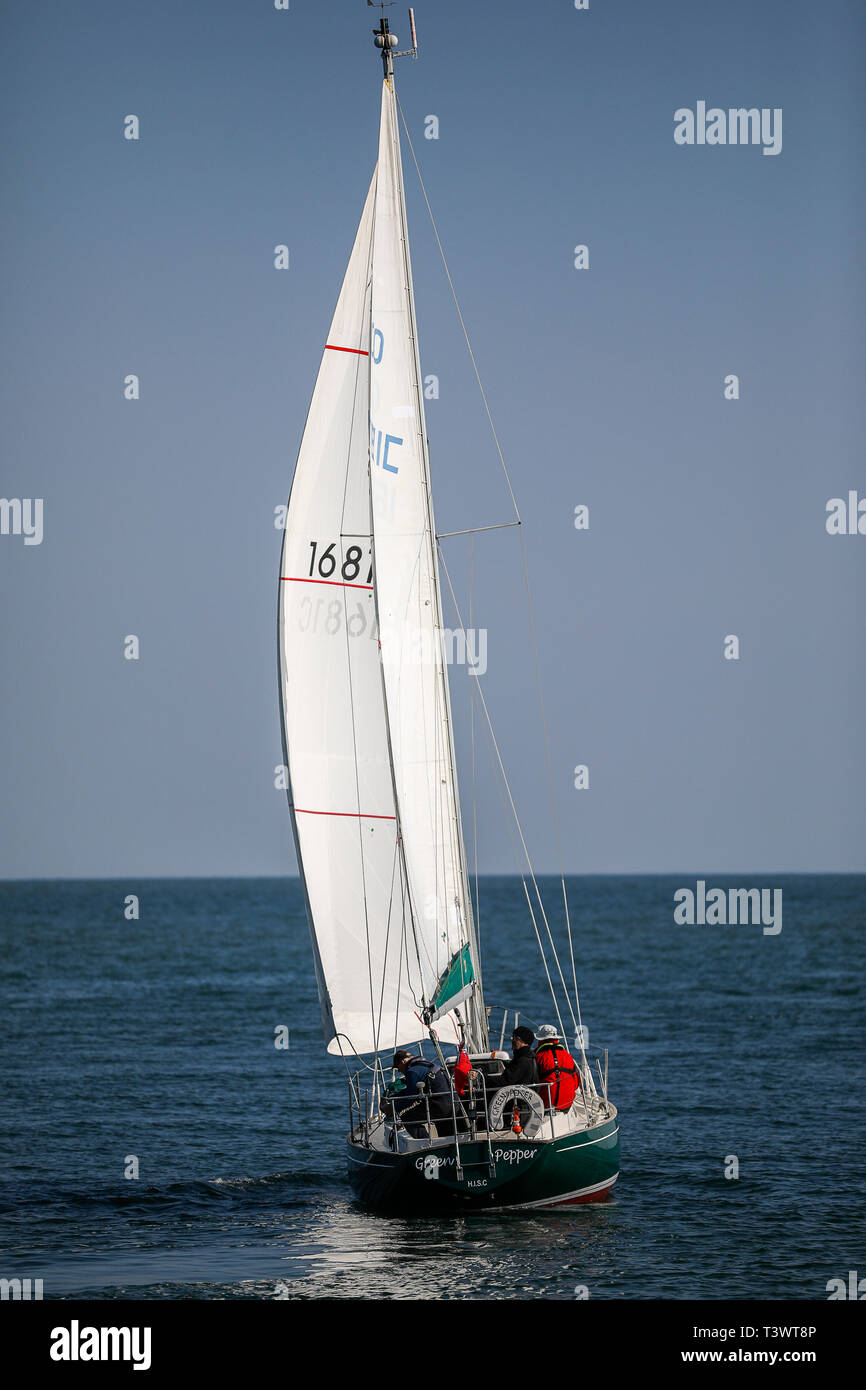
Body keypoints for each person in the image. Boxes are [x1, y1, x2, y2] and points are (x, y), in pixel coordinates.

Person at [386, 1049, 455, 1137]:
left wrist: (392, 1107)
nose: (399, 1070)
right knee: (445, 1132)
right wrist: (394, 1097)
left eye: (397, 1067)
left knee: (407, 1117)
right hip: (453, 1103)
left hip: (440, 1106)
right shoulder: (427, 1065)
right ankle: (447, 1146)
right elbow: (412, 1090)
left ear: (403, 1062)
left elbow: (410, 1098)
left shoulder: (412, 1071)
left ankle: (425, 1144)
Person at [534, 1024, 581, 1111]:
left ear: (540, 1040)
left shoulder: (538, 1057)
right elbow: (576, 1083)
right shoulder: (568, 1056)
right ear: (557, 1039)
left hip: (545, 1105)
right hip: (567, 1103)